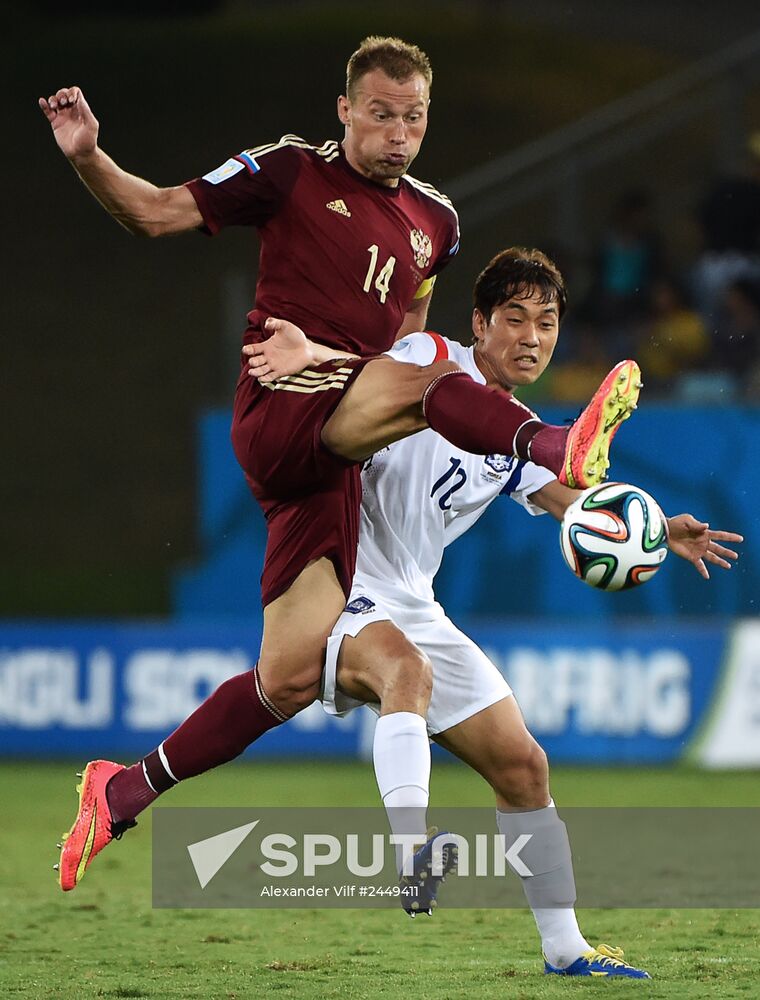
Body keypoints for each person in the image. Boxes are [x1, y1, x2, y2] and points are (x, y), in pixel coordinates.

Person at [42, 39, 640, 892]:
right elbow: (154, 212)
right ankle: (552, 437)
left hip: (333, 466)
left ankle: (122, 789)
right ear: (346, 110)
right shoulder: (288, 171)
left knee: (283, 680)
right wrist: (89, 156)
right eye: (383, 114)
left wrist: (354, 365)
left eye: (415, 118)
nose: (399, 134)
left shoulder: (436, 222)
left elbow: (395, 340)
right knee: (439, 374)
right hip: (283, 404)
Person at [294, 248, 739, 978]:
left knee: (524, 767)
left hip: (413, 601)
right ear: (479, 323)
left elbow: (573, 502)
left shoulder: (514, 430)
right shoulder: (426, 357)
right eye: (515, 319)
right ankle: (410, 852)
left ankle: (566, 951)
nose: (532, 337)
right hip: (336, 578)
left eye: (547, 323)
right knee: (407, 677)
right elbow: (376, 353)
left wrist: (655, 526)